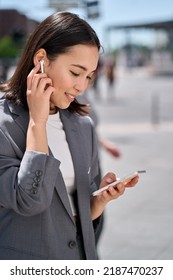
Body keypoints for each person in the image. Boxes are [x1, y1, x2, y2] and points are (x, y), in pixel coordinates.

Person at [0, 11, 139, 260]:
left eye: (89, 76)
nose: (82, 86)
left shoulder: (83, 125)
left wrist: (98, 202)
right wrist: (37, 122)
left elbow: (75, 215)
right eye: (75, 73)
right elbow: (29, 202)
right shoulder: (4, 123)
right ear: (41, 59)